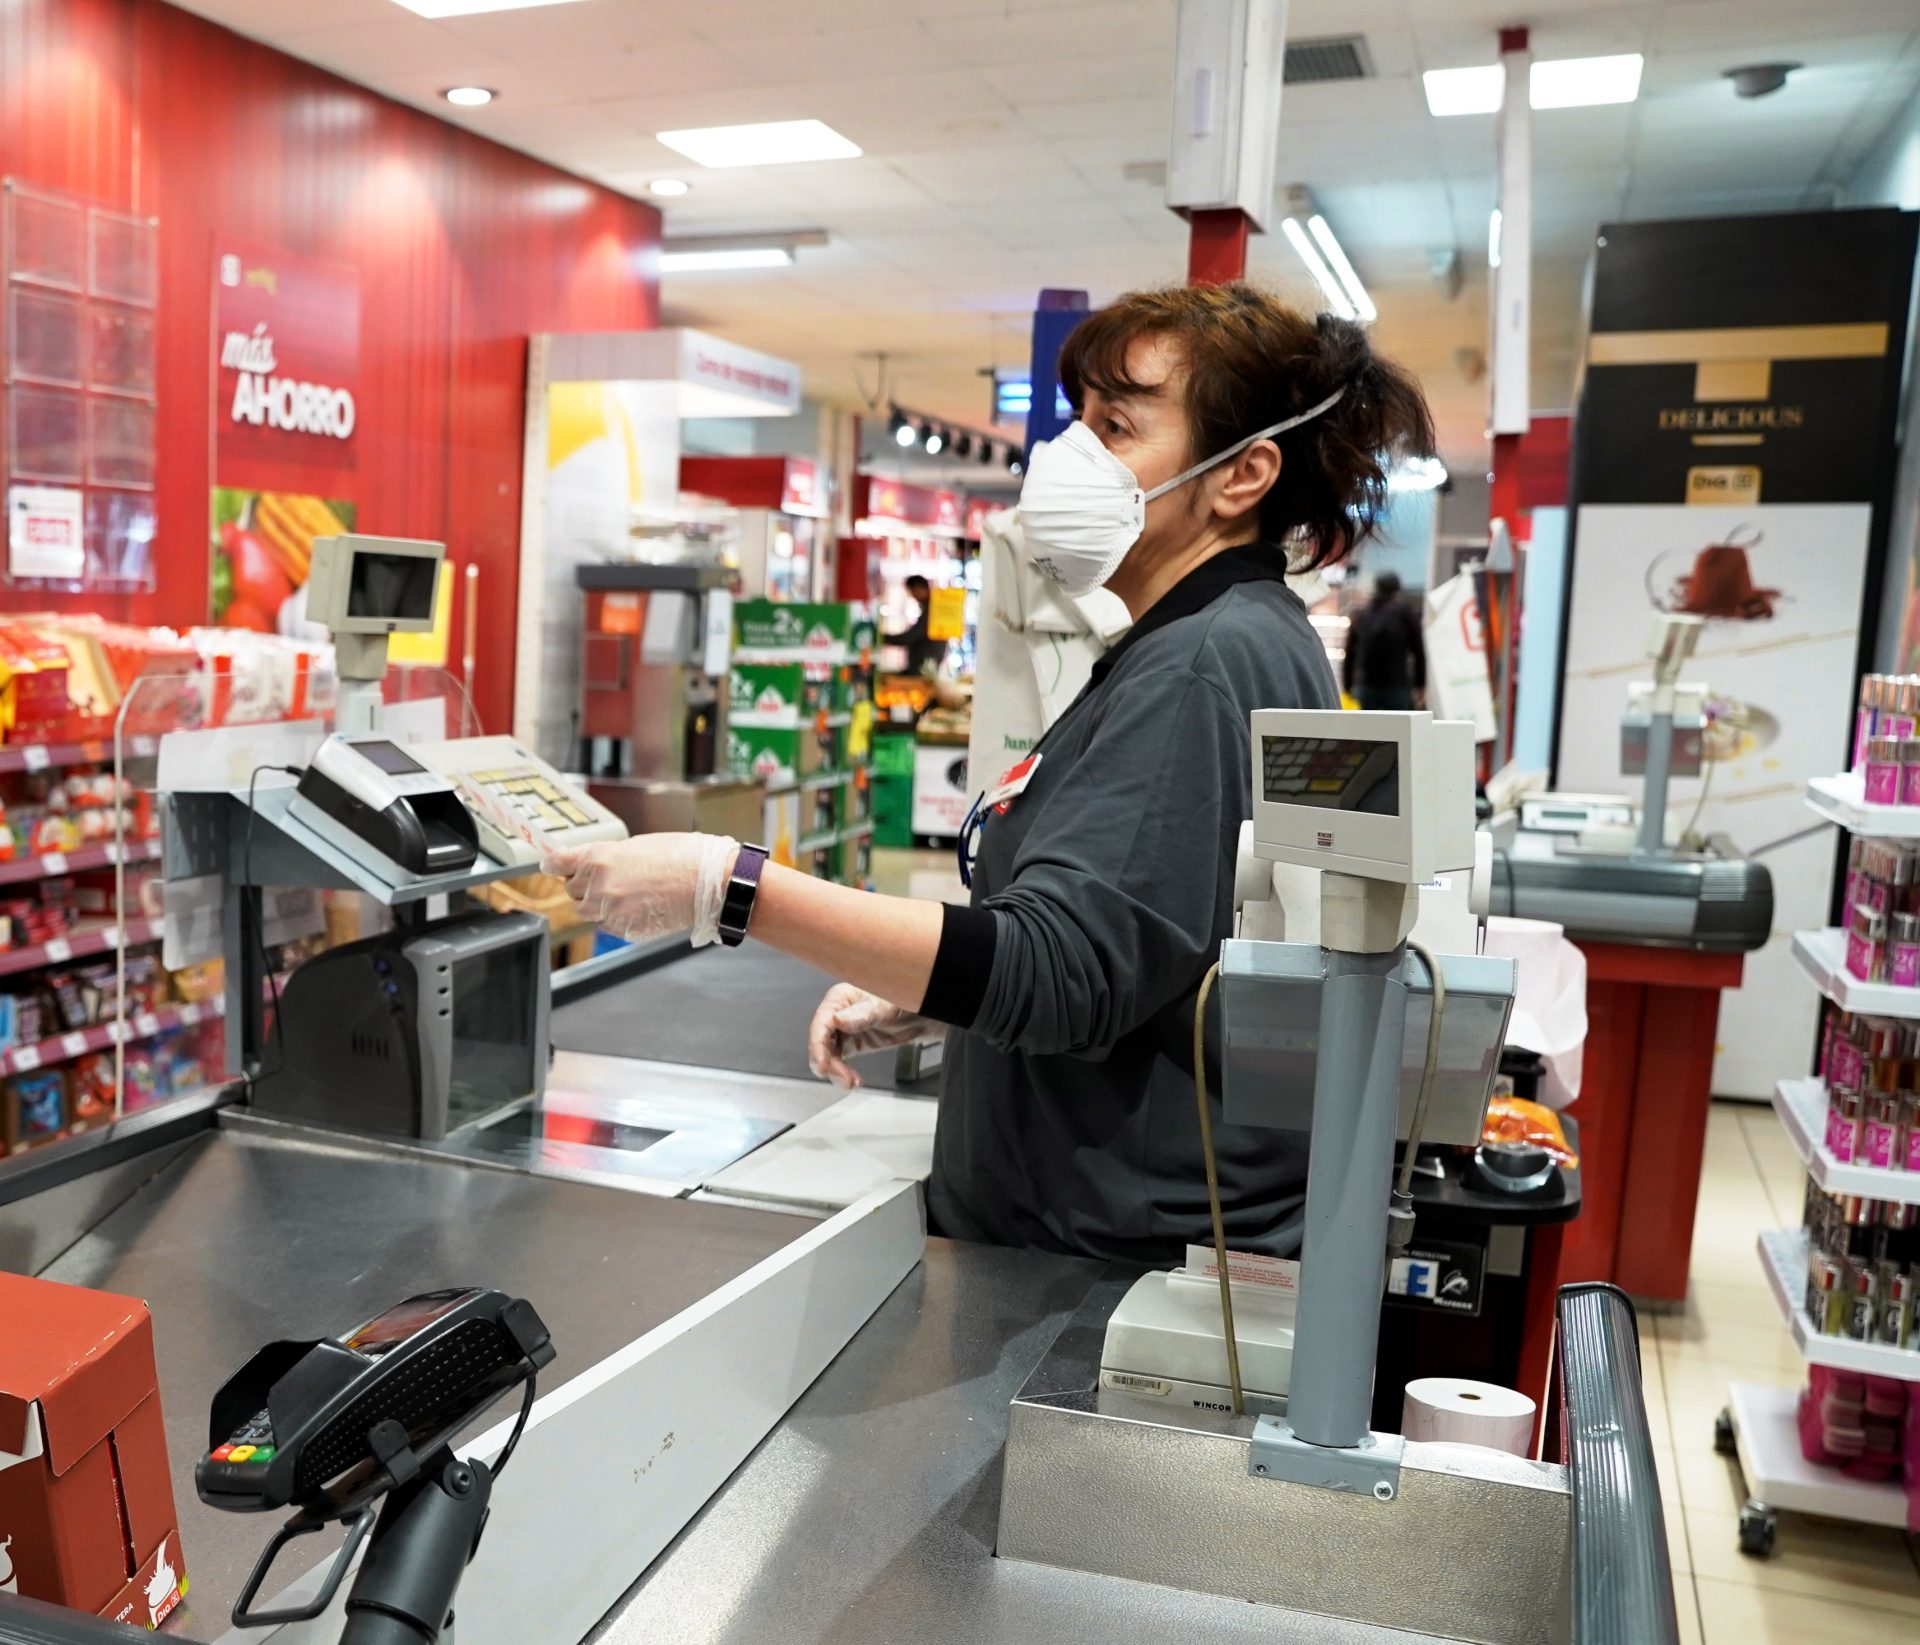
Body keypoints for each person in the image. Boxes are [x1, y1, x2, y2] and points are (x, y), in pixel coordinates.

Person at [550, 281, 1436, 1264]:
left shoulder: (1197, 666)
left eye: (1117, 425)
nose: (1068, 457)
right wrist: (944, 995)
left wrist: (729, 885)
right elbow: (1156, 939)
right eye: (1076, 422)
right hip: (1121, 1224)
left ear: (1241, 476)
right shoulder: (1232, 639)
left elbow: (1060, 968)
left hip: (1094, 1265)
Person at [1342, 571, 1426, 711]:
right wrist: (1420, 684)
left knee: (1368, 730)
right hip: (1397, 685)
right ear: (1397, 589)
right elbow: (1418, 651)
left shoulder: (1362, 615)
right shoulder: (1405, 614)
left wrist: (1347, 686)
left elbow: (1349, 654)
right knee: (1399, 730)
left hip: (1366, 686)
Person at [886, 574, 948, 677]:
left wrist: (884, 638)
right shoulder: (933, 608)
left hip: (922, 668)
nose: (912, 596)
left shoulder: (932, 611)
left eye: (912, 592)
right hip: (925, 667)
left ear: (919, 588)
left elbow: (911, 636)